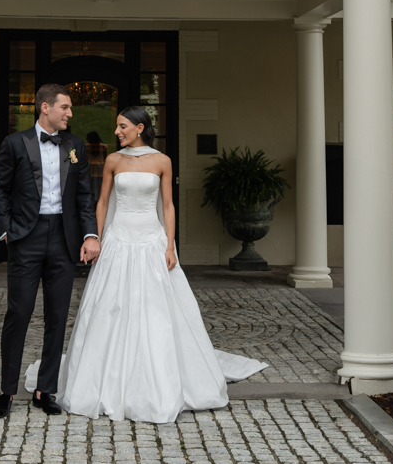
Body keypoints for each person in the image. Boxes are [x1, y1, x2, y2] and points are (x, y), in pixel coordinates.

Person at [27, 105, 267, 424]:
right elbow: (101, 203)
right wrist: (95, 238)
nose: (117, 131)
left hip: (152, 240)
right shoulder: (113, 160)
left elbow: (167, 205)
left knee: (157, 312)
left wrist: (169, 245)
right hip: (118, 240)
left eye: (122, 126)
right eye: (116, 126)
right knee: (110, 308)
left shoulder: (162, 161)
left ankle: (159, 382)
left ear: (140, 128)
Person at [0, 84, 99, 419]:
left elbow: (83, 195)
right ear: (45, 108)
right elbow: (0, 189)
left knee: (57, 316)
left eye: (70, 109)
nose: (69, 114)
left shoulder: (75, 146)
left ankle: (45, 389)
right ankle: (7, 391)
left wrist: (90, 234)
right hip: (26, 236)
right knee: (18, 314)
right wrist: (8, 230)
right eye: (64, 107)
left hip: (64, 239)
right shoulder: (14, 143)